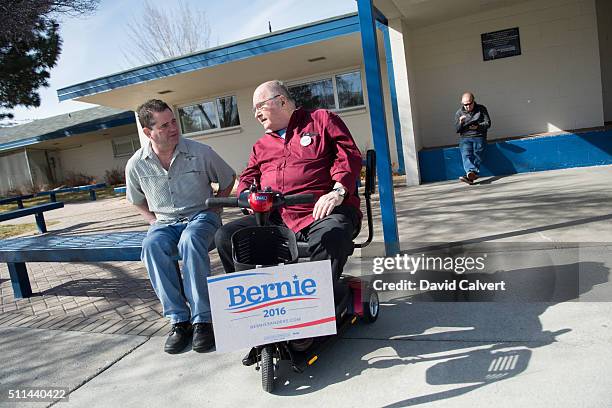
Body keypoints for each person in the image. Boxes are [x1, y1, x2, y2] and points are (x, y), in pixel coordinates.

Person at [214, 79, 362, 288]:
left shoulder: (321, 120)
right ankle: (255, 298)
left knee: (332, 236)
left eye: (259, 107)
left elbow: (349, 156)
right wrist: (247, 196)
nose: (256, 114)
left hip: (322, 211)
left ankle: (317, 301)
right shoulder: (261, 146)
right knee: (226, 236)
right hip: (276, 216)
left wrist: (337, 192)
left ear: (281, 101)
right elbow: (248, 176)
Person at [125, 99, 235, 354]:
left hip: (200, 217)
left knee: (190, 240)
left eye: (173, 121)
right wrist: (153, 222)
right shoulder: (136, 163)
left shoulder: (201, 152)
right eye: (164, 125)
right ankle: (179, 320)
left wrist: (214, 209)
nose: (174, 128)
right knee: (151, 245)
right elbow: (136, 200)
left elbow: (228, 179)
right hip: (163, 222)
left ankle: (203, 320)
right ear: (147, 132)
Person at [454, 92, 491, 184]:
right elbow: (457, 129)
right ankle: (471, 172)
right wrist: (460, 123)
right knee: (466, 154)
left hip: (479, 135)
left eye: (469, 104)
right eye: (465, 104)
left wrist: (478, 126)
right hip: (465, 137)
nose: (467, 106)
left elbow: (488, 123)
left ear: (473, 101)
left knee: (478, 153)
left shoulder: (481, 109)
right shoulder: (459, 113)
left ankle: (470, 175)